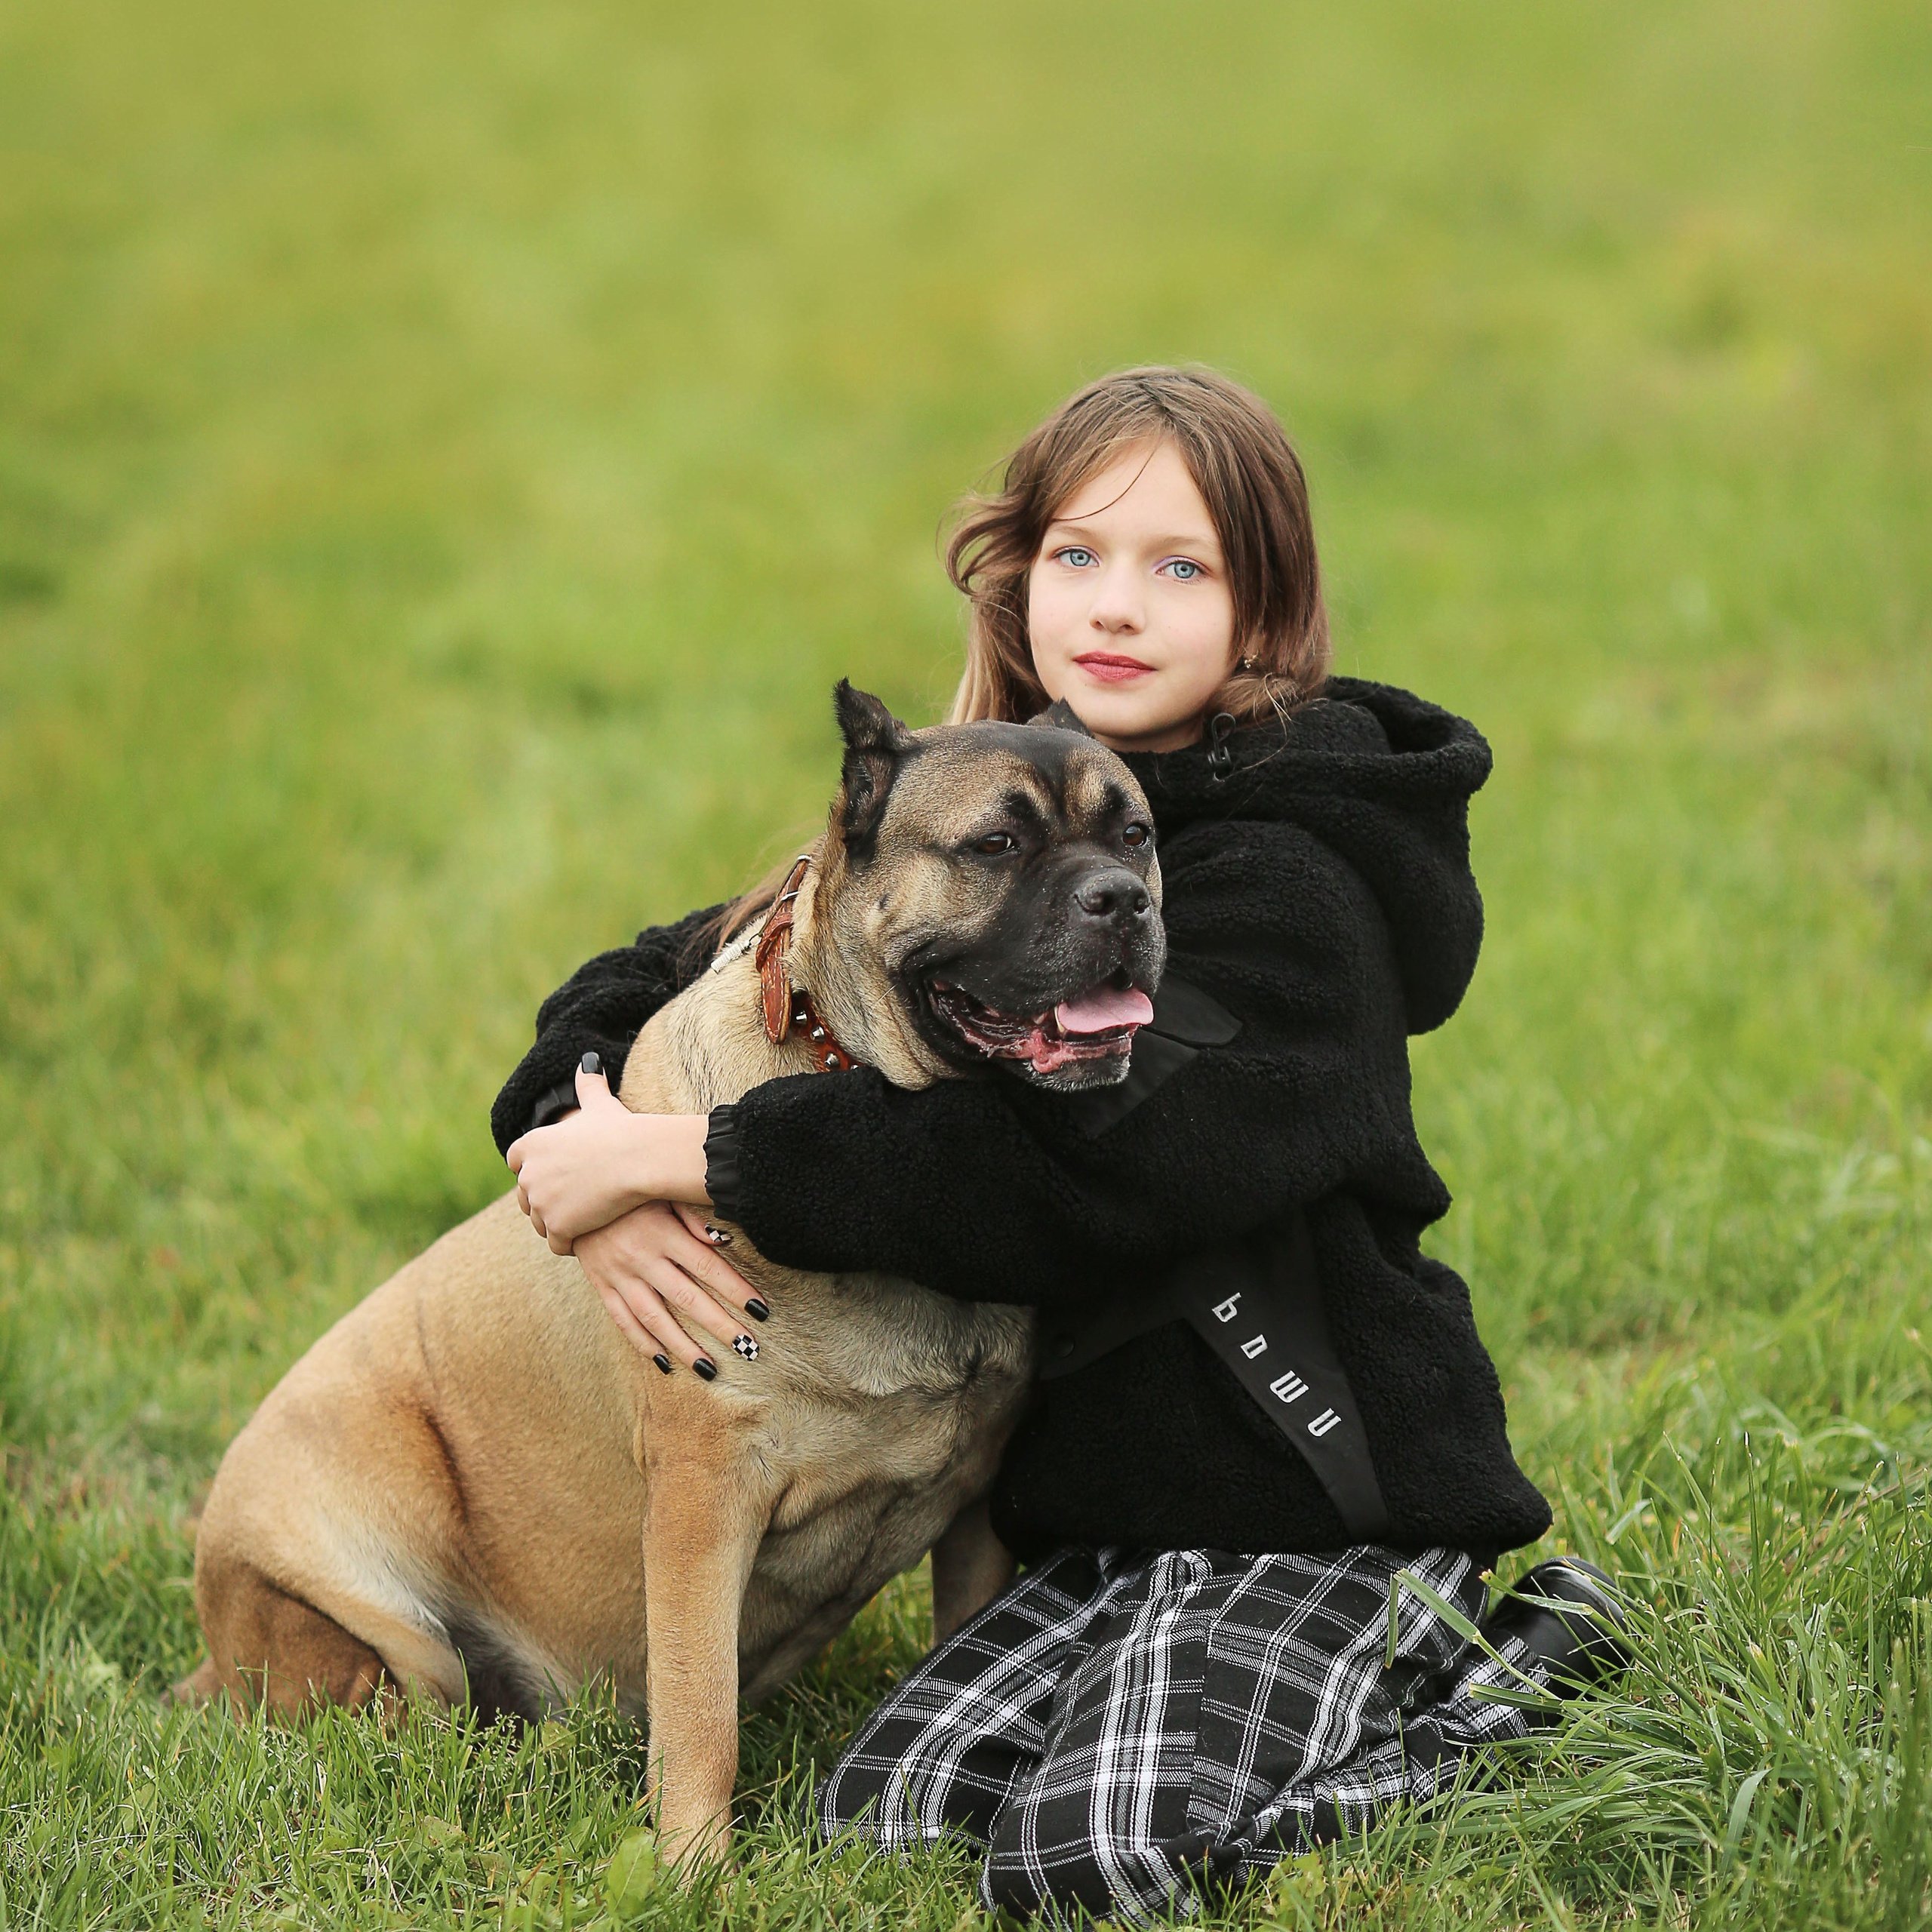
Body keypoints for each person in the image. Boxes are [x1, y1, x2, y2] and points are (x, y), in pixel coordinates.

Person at [496, 367, 1629, 1924]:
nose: (1116, 604)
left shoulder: (1295, 884)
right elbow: (663, 962)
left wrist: (685, 1162)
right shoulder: (975, 783)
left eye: (1181, 567)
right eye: (1078, 556)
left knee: (1082, 1855)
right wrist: (574, 1127)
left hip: (1298, 1505)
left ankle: (1502, 1667)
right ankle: (1165, 1693)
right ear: (1017, 575)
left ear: (1266, 612)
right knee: (875, 1823)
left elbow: (1072, 1179)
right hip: (1096, 1533)